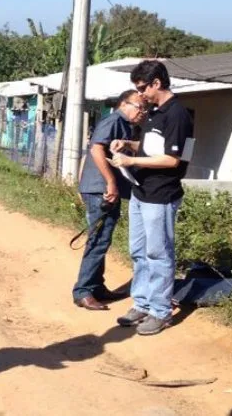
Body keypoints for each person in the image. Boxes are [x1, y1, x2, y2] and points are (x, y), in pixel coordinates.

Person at [111, 60, 195, 336]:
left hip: (161, 196)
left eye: (143, 88)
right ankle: (142, 302)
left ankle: (160, 310)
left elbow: (173, 160)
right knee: (138, 251)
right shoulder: (154, 113)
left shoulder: (179, 116)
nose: (141, 94)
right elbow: (150, 148)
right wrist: (129, 145)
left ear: (157, 83)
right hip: (140, 192)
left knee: (158, 253)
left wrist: (130, 160)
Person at [72, 90, 146, 311]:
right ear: (124, 104)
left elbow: (91, 150)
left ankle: (97, 287)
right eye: (139, 107)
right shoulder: (114, 121)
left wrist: (81, 182)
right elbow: (95, 150)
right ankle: (83, 291)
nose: (142, 112)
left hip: (98, 188)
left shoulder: (124, 126)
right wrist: (110, 183)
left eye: (145, 108)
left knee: (103, 238)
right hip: (102, 191)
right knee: (99, 240)